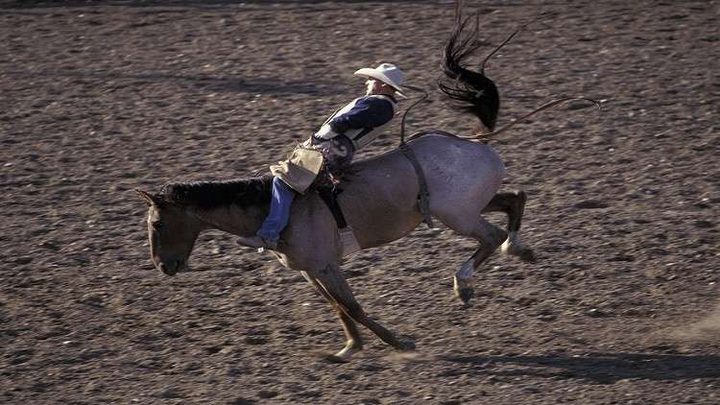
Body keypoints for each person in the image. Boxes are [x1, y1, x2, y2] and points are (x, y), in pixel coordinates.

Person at [244, 63, 406, 250]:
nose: (368, 82)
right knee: (294, 184)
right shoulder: (383, 104)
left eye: (372, 79)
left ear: (384, 85)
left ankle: (269, 235)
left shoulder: (380, 104)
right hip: (334, 149)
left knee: (284, 182)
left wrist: (326, 133)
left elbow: (347, 121)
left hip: (330, 149)